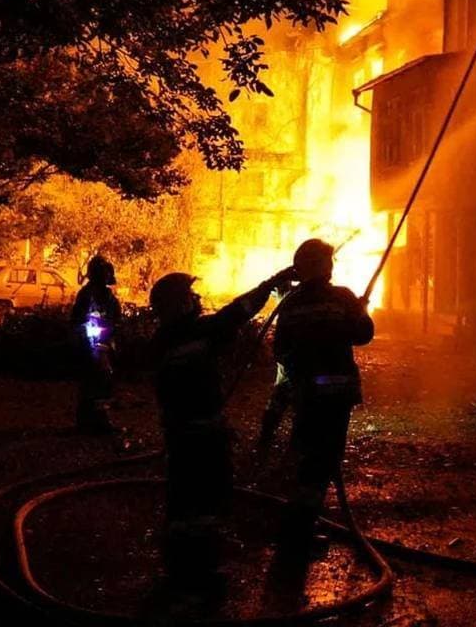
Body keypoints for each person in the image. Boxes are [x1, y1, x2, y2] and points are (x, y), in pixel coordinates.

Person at [148, 266, 296, 606]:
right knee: (204, 504)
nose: (197, 299)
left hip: (181, 436)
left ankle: (180, 573)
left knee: (183, 503)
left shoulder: (164, 341)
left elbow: (229, 321)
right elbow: (237, 313)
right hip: (201, 437)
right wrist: (270, 284)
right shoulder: (194, 335)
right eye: (190, 296)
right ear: (179, 305)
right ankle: (197, 579)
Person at [269, 238, 374, 564]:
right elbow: (363, 334)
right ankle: (297, 536)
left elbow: (280, 350)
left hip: (306, 396)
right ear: (325, 267)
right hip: (336, 397)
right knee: (321, 464)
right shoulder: (341, 298)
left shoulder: (290, 303)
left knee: (306, 459)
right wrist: (360, 310)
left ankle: (298, 527)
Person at [68, 255, 123, 433]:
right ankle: (87, 421)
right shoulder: (86, 295)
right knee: (91, 383)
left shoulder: (107, 295)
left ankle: (99, 419)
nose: (105, 276)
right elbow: (78, 319)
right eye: (102, 272)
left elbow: (115, 317)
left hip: (104, 344)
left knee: (103, 383)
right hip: (89, 345)